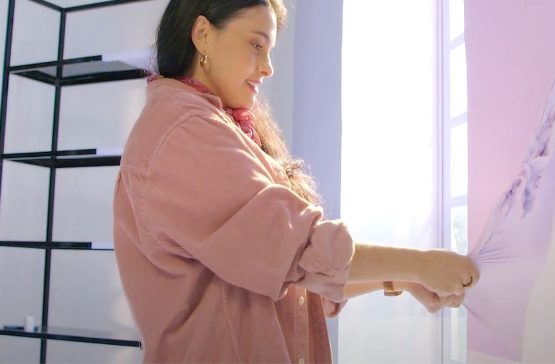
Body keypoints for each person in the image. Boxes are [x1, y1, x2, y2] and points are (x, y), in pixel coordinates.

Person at [112, 0, 480, 362]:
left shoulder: (215, 130)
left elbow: (296, 277)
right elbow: (299, 250)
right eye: (256, 44)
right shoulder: (183, 135)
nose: (269, 68)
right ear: (203, 35)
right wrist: (420, 264)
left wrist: (402, 278)